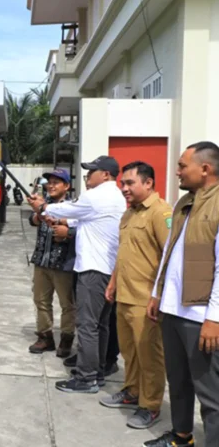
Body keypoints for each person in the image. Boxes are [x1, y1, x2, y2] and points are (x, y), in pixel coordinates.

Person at [27, 155, 126, 393]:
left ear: (105, 175)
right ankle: (97, 370)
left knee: (88, 325)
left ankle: (86, 377)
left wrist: (42, 206)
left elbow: (67, 210)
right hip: (106, 269)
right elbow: (74, 219)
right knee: (100, 325)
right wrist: (51, 214)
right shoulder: (113, 197)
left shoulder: (97, 196)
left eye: (92, 171)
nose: (88, 176)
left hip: (93, 269)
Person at [144, 142, 219, 447]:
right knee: (178, 381)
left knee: (211, 393)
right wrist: (157, 294)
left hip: (200, 316)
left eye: (182, 165)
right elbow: (169, 254)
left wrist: (214, 318)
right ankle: (181, 436)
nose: (177, 171)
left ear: (205, 169)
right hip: (173, 310)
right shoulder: (185, 203)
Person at [99, 161, 170, 430]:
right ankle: (131, 392)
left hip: (146, 300)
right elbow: (124, 253)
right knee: (130, 352)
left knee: (150, 357)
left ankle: (150, 406)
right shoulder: (129, 215)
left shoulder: (160, 213)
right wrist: (113, 283)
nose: (124, 188)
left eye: (130, 183)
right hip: (125, 296)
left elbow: (170, 257)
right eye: (122, 184)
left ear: (148, 183)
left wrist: (159, 296)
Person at [27, 168, 76, 357]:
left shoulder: (73, 206)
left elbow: (76, 226)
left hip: (63, 264)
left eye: (57, 182)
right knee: (40, 300)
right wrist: (38, 213)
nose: (52, 185)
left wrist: (63, 229)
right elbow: (33, 220)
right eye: (50, 182)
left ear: (67, 186)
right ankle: (45, 336)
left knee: (67, 303)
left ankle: (66, 338)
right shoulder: (43, 204)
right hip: (42, 260)